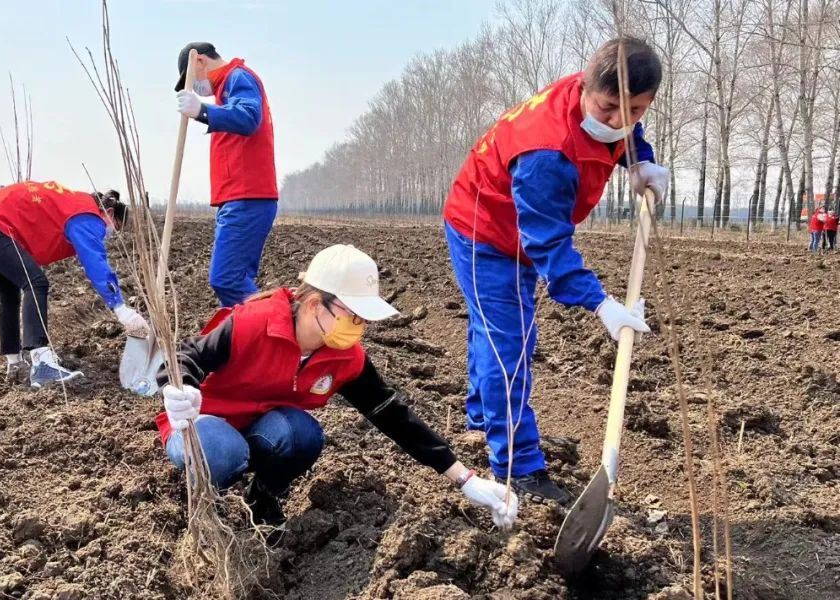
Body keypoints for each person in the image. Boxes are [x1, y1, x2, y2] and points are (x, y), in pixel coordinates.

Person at [442, 38, 669, 505]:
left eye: (635, 112)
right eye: (608, 109)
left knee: (495, 335)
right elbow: (548, 246)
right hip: (484, 232)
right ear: (586, 87)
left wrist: (639, 157)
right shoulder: (546, 151)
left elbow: (623, 133)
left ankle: (481, 424)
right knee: (509, 346)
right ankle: (518, 468)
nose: (619, 122)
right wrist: (600, 303)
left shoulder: (607, 109)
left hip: (514, 232)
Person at [155, 245, 519, 530]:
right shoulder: (254, 323)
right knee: (223, 450)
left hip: (260, 429)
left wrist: (465, 479)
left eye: (364, 318)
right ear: (315, 304)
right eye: (353, 315)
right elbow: (187, 355)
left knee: (303, 434)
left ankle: (262, 499)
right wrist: (180, 390)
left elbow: (392, 414)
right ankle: (204, 510)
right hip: (203, 426)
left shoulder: (345, 357)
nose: (358, 327)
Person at [0, 181, 150, 390]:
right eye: (116, 226)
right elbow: (95, 262)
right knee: (36, 283)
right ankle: (42, 363)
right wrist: (121, 309)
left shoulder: (75, 204)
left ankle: (14, 364)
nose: (111, 233)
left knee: (9, 292)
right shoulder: (88, 216)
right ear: (109, 212)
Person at [173, 42, 278, 308]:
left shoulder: (237, 76)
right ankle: (240, 340)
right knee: (236, 283)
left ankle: (268, 336)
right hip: (239, 198)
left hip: (246, 197)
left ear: (199, 62)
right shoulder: (225, 90)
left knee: (226, 280)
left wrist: (203, 111)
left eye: (190, 79)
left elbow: (248, 117)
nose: (195, 87)